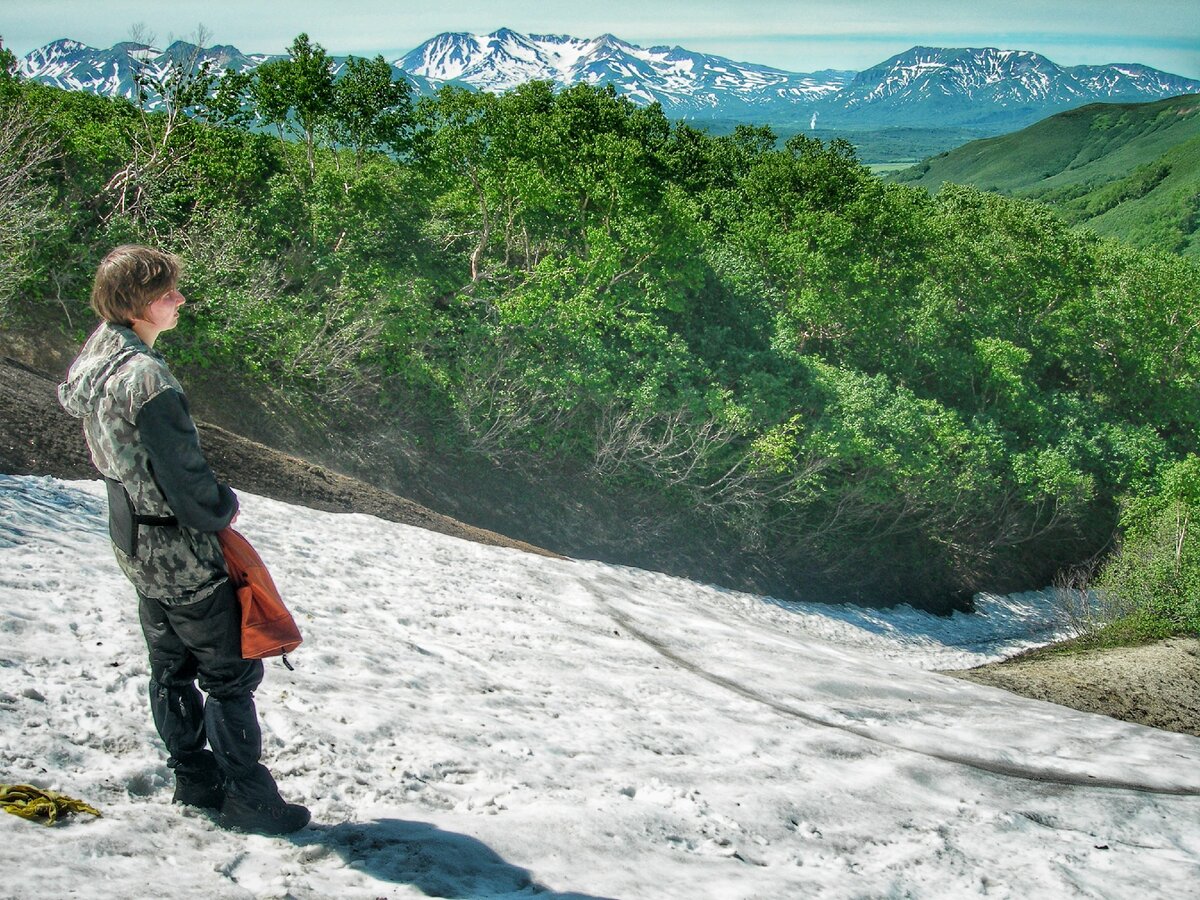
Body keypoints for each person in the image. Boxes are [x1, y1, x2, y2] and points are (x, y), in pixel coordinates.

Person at [58, 245, 309, 835]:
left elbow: (74, 403)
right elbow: (188, 483)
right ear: (142, 303)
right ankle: (249, 798)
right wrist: (225, 506)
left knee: (169, 669)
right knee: (229, 676)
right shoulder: (147, 377)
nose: (180, 300)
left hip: (132, 540)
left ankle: (194, 782)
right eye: (170, 292)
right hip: (179, 550)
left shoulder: (98, 353)